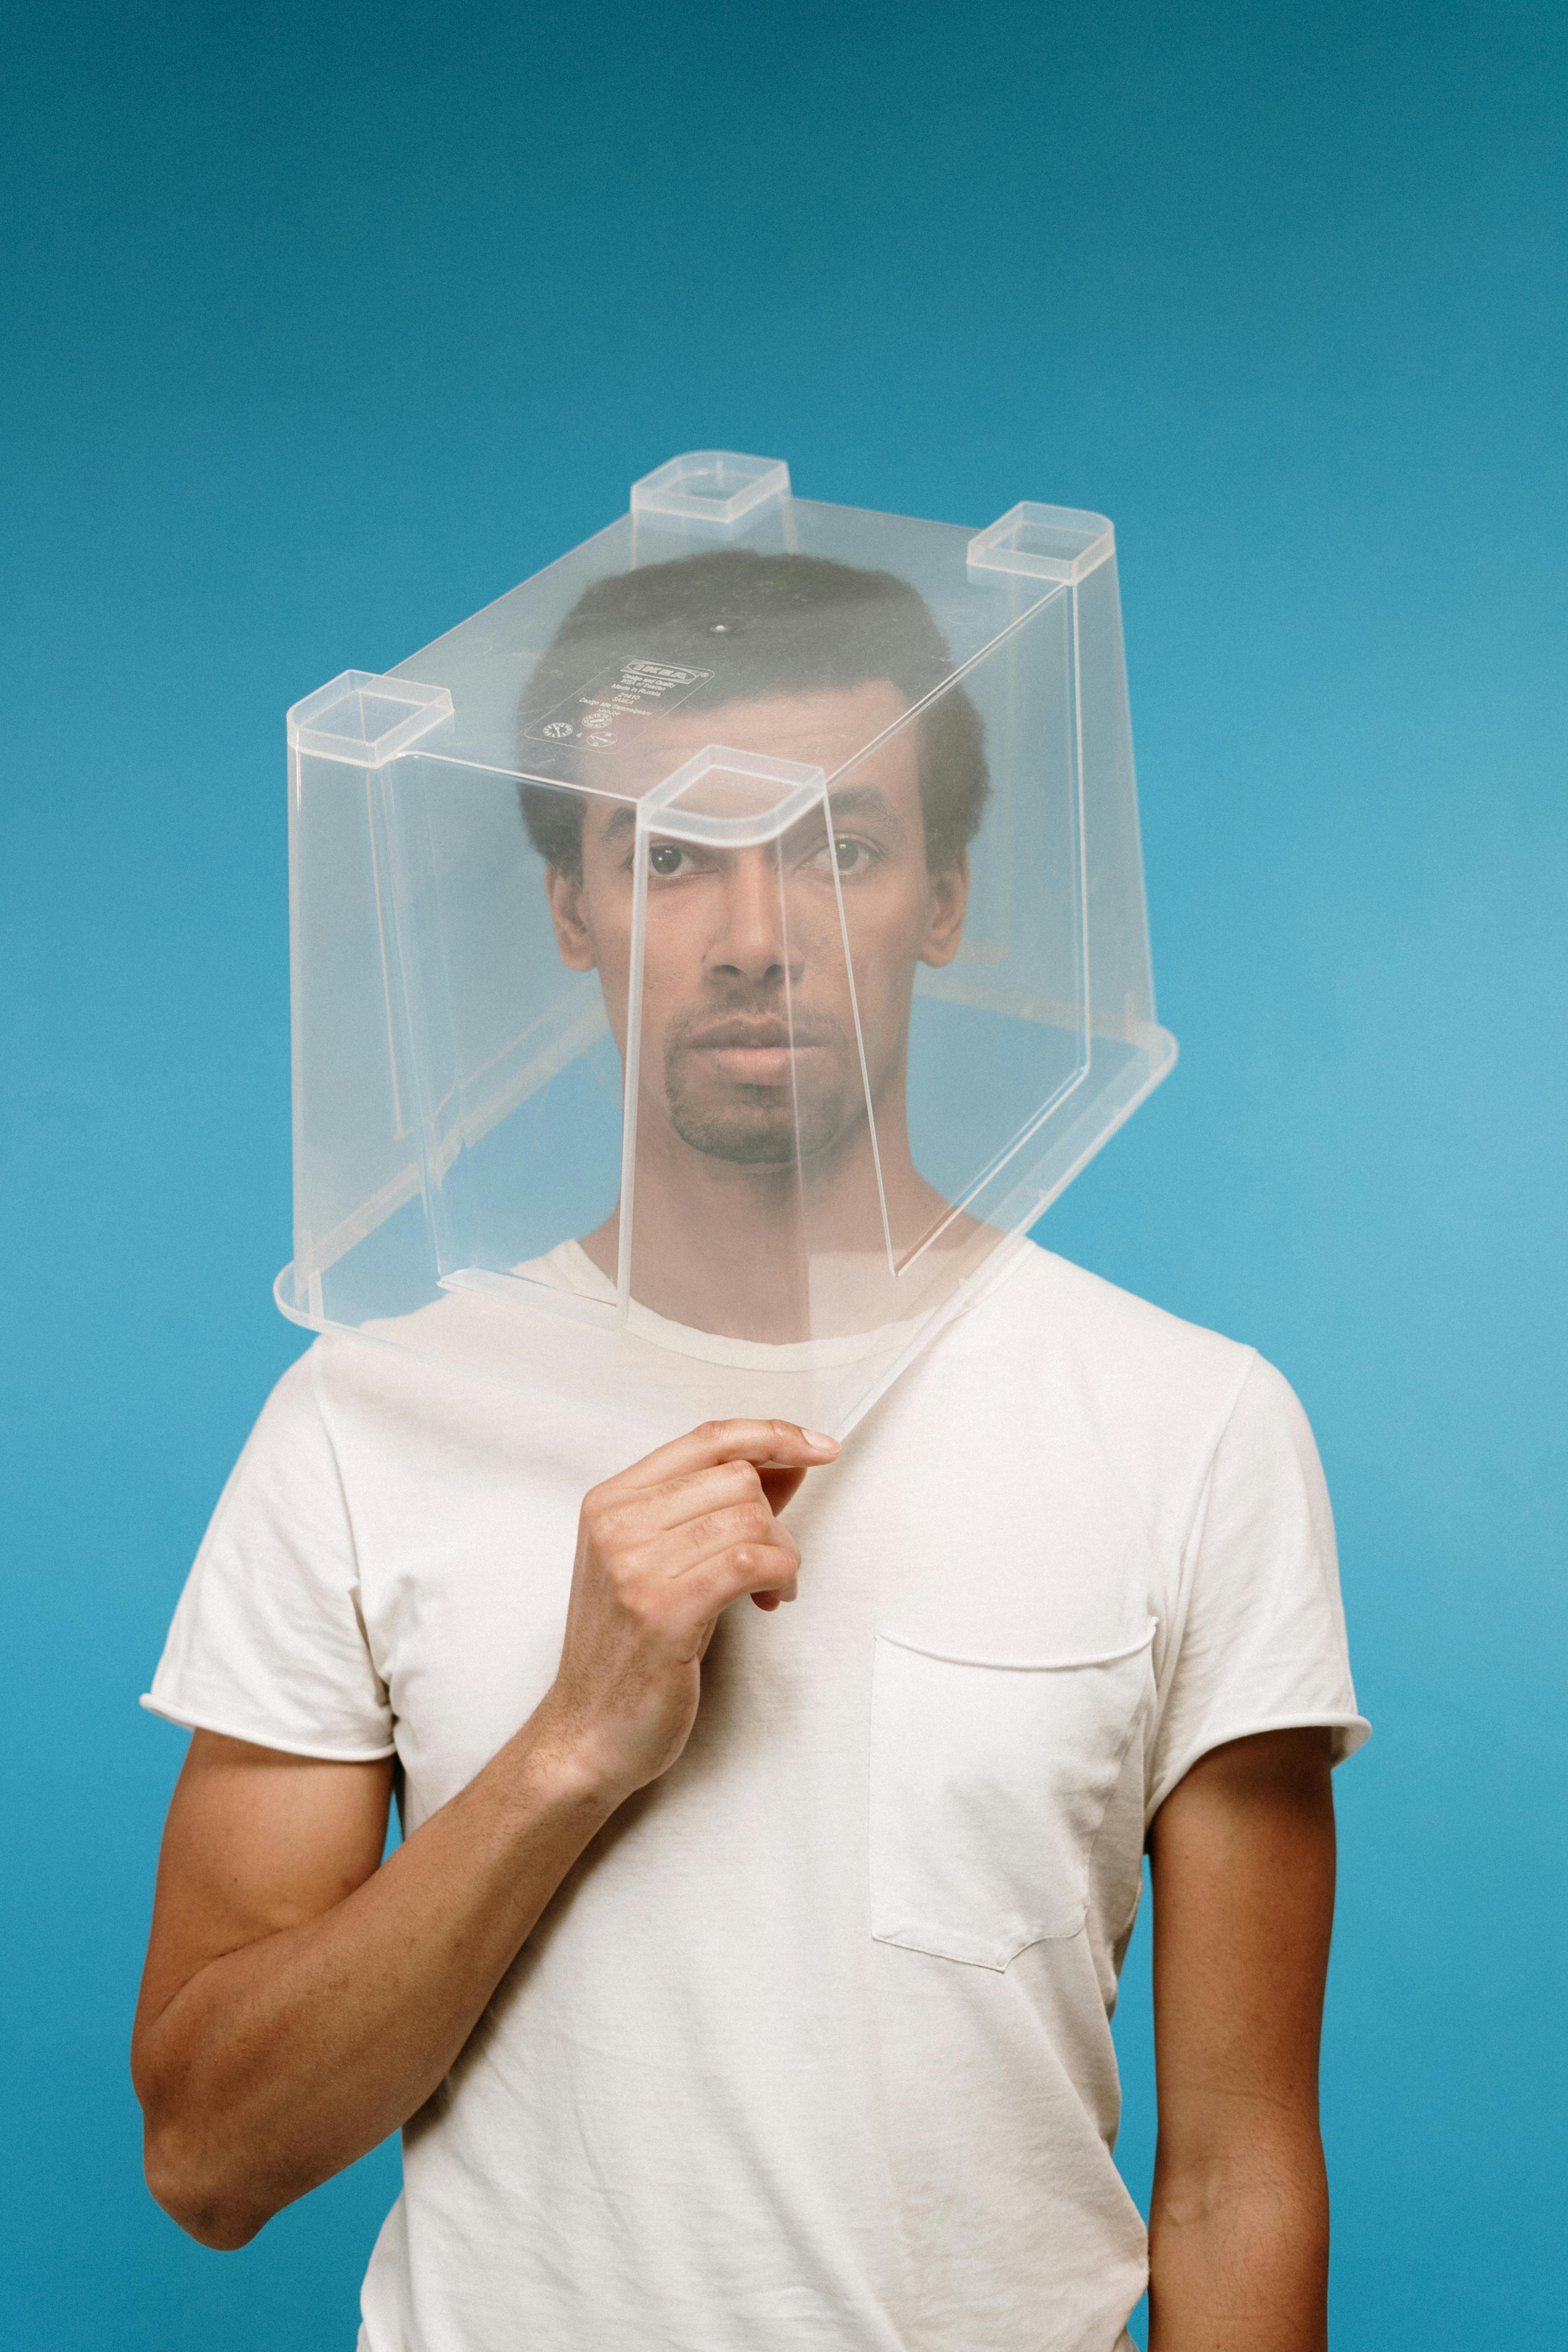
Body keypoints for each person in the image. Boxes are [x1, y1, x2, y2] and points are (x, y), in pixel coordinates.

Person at [134, 549, 1368, 2352]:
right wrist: (572, 1745)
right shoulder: (366, 1420)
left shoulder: (1191, 1425)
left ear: (943, 900)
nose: (753, 936)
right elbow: (209, 2155)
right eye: (673, 858)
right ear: (574, 908)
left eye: (837, 848)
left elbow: (1239, 2174)